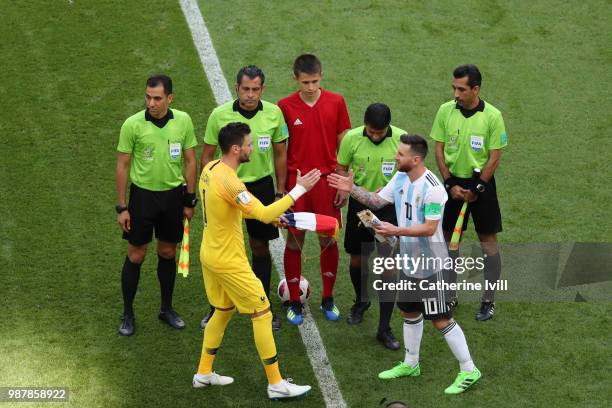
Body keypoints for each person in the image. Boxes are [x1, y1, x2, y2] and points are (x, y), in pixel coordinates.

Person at [329, 134, 482, 395]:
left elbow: (430, 228)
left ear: (416, 159)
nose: (395, 157)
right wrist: (350, 189)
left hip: (432, 265)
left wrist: (395, 230)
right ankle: (411, 363)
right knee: (409, 311)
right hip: (410, 262)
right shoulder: (401, 177)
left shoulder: (433, 188)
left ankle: (469, 370)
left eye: (400, 154)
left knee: (441, 319)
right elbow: (377, 202)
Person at [194, 122, 319, 400]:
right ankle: (276, 384)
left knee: (222, 311)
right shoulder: (231, 181)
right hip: (228, 261)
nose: (253, 148)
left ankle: (203, 373)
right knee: (262, 313)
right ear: (236, 149)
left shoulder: (210, 169)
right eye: (249, 144)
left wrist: (274, 215)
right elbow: (261, 213)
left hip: (210, 254)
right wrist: (299, 190)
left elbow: (238, 207)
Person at [199, 65, 288, 331]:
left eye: (255, 89)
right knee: (224, 250)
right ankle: (215, 309)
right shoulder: (219, 115)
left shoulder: (274, 113)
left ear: (262, 89)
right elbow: (207, 154)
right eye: (245, 89)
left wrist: (280, 190)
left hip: (260, 186)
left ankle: (262, 308)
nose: (250, 95)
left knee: (260, 247)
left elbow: (280, 153)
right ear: (236, 87)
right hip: (227, 188)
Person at [115, 74, 198, 336]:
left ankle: (166, 308)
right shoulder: (133, 125)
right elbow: (123, 165)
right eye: (148, 97)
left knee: (167, 253)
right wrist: (122, 207)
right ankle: (128, 313)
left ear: (169, 98)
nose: (151, 103)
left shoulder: (183, 121)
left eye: (157, 98)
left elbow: (191, 161)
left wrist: (189, 199)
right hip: (142, 198)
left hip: (173, 197)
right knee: (136, 254)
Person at [278, 54, 352, 325]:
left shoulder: (336, 101)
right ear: (295, 79)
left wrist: (343, 181)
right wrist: (282, 189)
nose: (310, 87)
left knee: (328, 240)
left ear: (322, 77)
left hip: (327, 182)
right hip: (297, 185)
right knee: (294, 241)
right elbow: (280, 150)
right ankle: (295, 302)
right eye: (305, 82)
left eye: (315, 81)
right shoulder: (284, 106)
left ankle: (328, 298)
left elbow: (345, 143)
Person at [430, 64, 508, 321]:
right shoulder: (445, 111)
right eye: (453, 87)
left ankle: (488, 300)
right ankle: (449, 294)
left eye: (461, 89)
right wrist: (449, 183)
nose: (455, 94)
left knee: (488, 244)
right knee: (450, 244)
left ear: (475, 89)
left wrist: (478, 188)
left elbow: (494, 157)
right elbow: (439, 150)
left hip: (481, 186)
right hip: (452, 187)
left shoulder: (493, 116)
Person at [336, 103, 404, 350]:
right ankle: (361, 300)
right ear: (364, 124)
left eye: (380, 132)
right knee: (357, 260)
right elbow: (341, 168)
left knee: (388, 267)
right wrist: (347, 189)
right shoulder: (351, 139)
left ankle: (384, 328)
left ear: (388, 127)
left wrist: (386, 192)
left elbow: (407, 172)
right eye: (372, 132)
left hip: (389, 210)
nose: (376, 136)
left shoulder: (401, 139)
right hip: (360, 208)